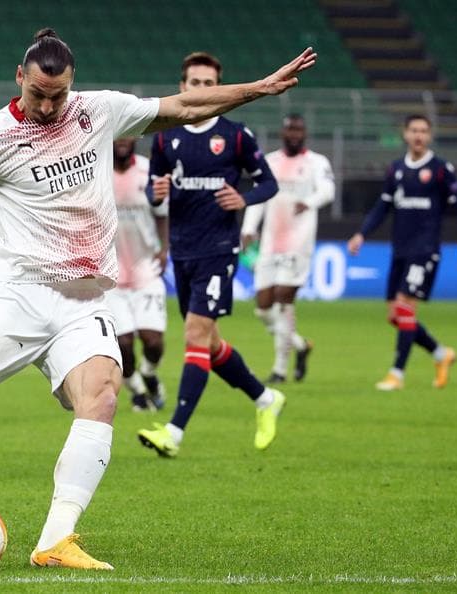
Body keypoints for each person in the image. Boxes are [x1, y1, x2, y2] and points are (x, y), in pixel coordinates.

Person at [0, 29, 316, 569]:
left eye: (58, 94)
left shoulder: (97, 113)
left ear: (73, 85)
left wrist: (256, 88)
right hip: (20, 295)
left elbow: (181, 105)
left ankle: (55, 540)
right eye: (38, 93)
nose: (47, 105)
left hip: (84, 302)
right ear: (19, 77)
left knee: (102, 398)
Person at [137, 52, 285, 458]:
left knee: (194, 336)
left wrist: (244, 198)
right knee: (211, 344)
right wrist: (156, 194)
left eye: (208, 84)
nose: (201, 90)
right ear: (182, 87)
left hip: (219, 251)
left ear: (219, 88)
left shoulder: (236, 135)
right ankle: (264, 398)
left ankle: (174, 432)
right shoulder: (166, 138)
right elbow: (152, 188)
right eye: (194, 83)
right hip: (183, 252)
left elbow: (268, 184)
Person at [347, 114, 457, 391]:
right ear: (405, 134)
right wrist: (361, 234)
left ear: (429, 136)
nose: (418, 135)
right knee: (395, 315)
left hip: (425, 250)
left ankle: (397, 374)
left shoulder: (441, 169)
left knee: (405, 307)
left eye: (423, 131)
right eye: (414, 130)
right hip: (400, 250)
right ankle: (441, 354)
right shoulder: (395, 170)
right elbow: (382, 207)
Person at [241, 114, 335, 383]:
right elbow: (259, 199)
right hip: (270, 242)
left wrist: (310, 201)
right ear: (282, 133)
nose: (294, 134)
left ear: (304, 133)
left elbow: (328, 190)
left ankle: (280, 369)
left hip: (299, 242)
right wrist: (248, 228)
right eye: (290, 129)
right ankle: (300, 345)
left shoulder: (317, 162)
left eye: (299, 130)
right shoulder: (269, 161)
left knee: (283, 299)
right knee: (262, 308)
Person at [105, 137, 169, 412]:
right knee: (123, 345)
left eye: (128, 134)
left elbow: (162, 213)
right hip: (111, 274)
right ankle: (138, 391)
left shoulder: (148, 171)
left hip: (146, 269)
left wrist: (165, 248)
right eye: (118, 135)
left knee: (153, 341)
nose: (123, 141)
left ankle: (150, 374)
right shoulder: (96, 172)